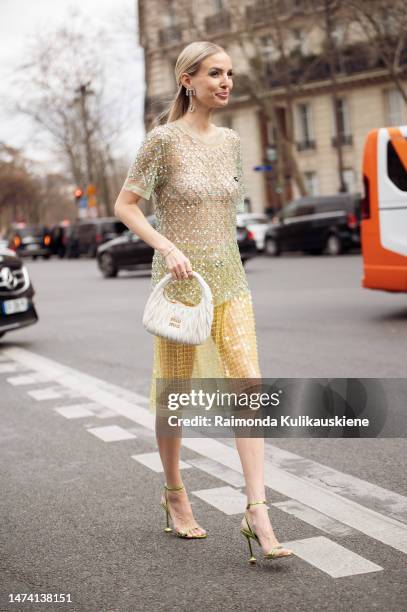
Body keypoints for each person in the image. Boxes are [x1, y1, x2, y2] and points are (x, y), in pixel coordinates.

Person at [114, 41, 293, 562]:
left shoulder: (233, 141)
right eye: (215, 73)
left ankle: (257, 508)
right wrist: (166, 246)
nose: (226, 81)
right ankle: (174, 493)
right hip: (180, 283)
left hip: (230, 279)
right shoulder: (162, 142)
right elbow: (127, 206)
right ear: (187, 79)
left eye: (230, 73)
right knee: (175, 394)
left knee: (248, 385)